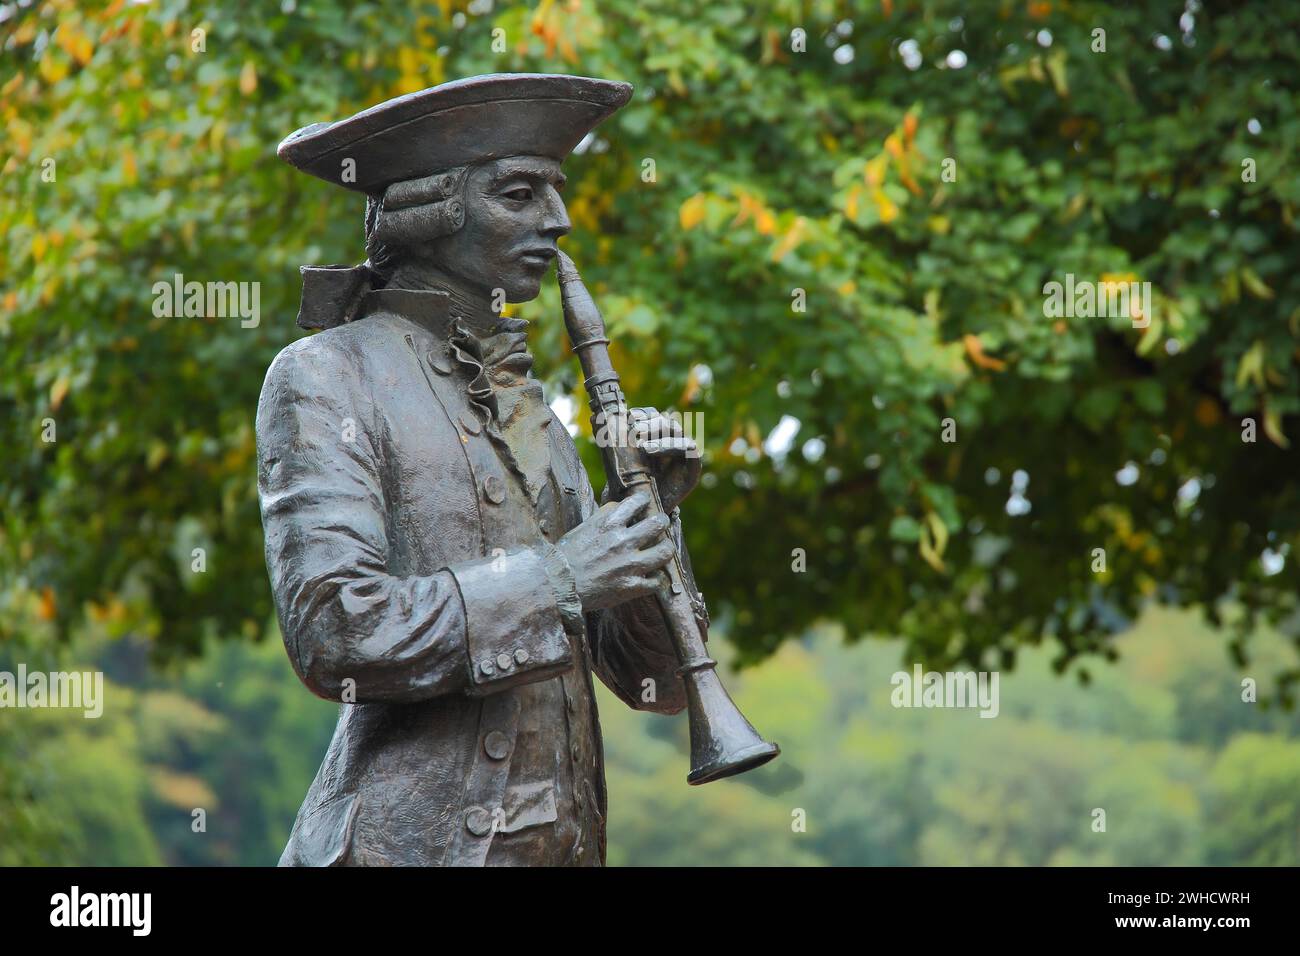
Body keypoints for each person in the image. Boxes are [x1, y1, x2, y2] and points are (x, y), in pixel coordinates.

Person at [259, 73, 705, 866]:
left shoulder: (535, 413)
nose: (558, 222)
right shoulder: (325, 374)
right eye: (520, 194)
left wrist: (652, 521)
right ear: (430, 212)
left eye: (556, 194)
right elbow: (333, 631)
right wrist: (561, 578)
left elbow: (657, 687)